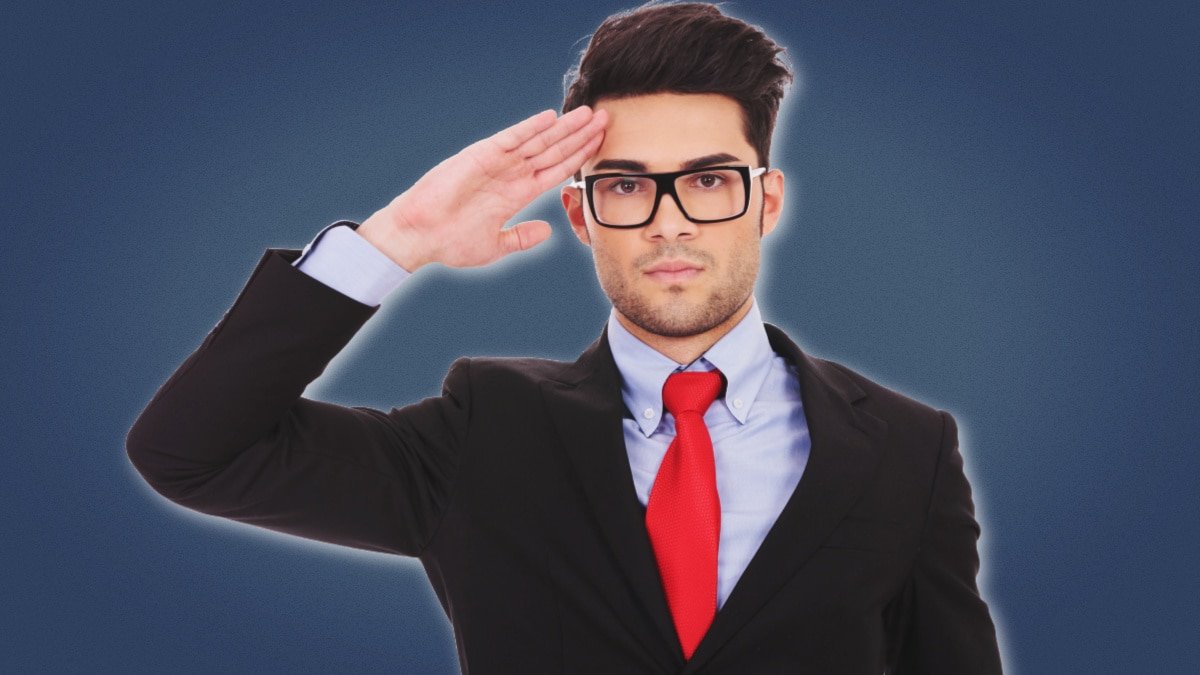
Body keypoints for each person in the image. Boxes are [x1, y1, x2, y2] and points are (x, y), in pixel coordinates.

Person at [126, 2, 1003, 672]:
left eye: (706, 180)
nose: (669, 224)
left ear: (765, 202)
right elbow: (193, 454)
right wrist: (396, 241)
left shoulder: (907, 447)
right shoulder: (486, 429)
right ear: (582, 215)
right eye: (625, 186)